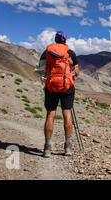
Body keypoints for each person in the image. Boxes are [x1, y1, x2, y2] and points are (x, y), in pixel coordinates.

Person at [39, 30, 80, 158]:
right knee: (66, 113)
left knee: (50, 114)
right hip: (67, 86)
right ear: (65, 40)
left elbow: (40, 69)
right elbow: (77, 72)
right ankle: (67, 147)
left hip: (51, 86)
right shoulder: (70, 53)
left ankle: (47, 148)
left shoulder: (47, 53)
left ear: (55, 39)